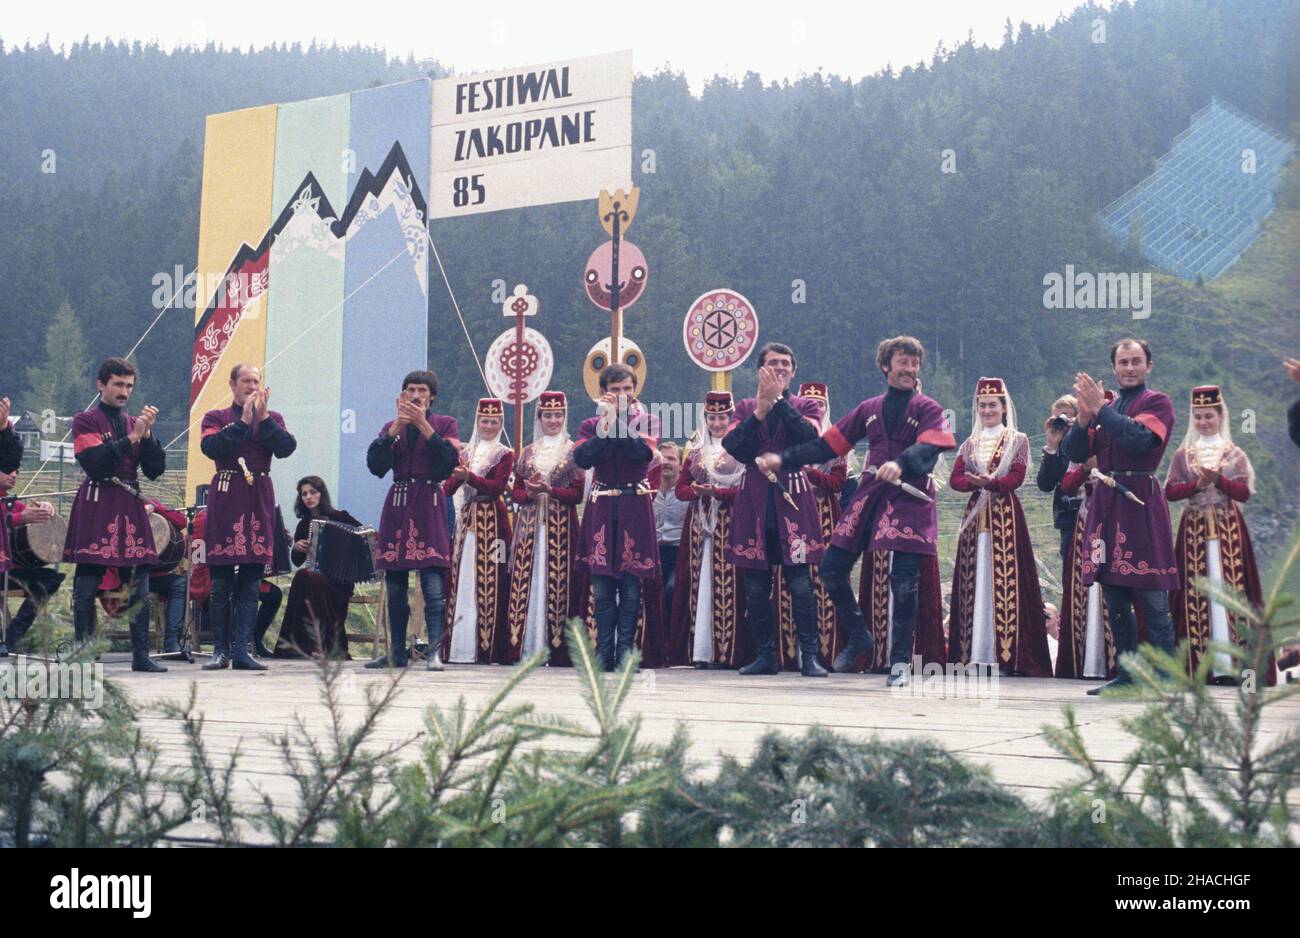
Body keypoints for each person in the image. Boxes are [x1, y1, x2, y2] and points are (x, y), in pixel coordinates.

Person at [761, 336, 955, 686]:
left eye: (914, 363)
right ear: (885, 366)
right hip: (872, 493)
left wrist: (901, 462)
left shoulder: (928, 408)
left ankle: (899, 665)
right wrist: (784, 459)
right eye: (903, 362)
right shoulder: (869, 409)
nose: (910, 369)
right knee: (832, 568)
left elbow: (931, 446)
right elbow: (827, 445)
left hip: (911, 497)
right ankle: (860, 635)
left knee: (905, 582)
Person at [1062, 338, 1179, 696]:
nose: (1129, 367)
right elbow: (1075, 452)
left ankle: (1164, 677)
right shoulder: (1105, 407)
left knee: (1153, 597)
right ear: (1114, 368)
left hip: (1140, 502)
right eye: (1123, 362)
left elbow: (1138, 439)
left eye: (1136, 361)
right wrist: (1083, 421)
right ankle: (1126, 675)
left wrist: (1100, 410)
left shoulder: (1157, 402)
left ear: (1149, 366)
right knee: (1114, 597)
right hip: (1106, 506)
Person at [722, 342, 828, 677]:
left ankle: (808, 656)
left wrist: (779, 403)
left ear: (793, 371)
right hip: (753, 499)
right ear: (760, 370)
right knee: (755, 582)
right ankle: (765, 655)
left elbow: (809, 439)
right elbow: (734, 447)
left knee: (799, 580)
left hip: (792, 496)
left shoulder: (806, 404)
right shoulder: (744, 407)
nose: (780, 368)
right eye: (772, 363)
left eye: (785, 364)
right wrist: (760, 412)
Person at [61, 358, 167, 672]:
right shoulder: (85, 420)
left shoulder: (135, 422)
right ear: (101, 385)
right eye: (118, 384)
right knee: (87, 584)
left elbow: (155, 470)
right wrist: (133, 437)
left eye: (129, 386)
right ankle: (83, 655)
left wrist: (147, 437)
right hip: (98, 501)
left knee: (139, 583)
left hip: (129, 503)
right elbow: (94, 463)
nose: (124, 391)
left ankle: (141, 656)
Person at [1164, 386, 1273, 686]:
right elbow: (1170, 491)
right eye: (1198, 416)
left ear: (1220, 415)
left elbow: (1244, 492)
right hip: (1194, 529)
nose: (1203, 422)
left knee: (1231, 593)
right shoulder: (1183, 455)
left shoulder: (1234, 453)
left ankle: (1234, 667)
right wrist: (1197, 484)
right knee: (1196, 592)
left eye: (1208, 416)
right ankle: (1200, 666)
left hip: (1228, 530)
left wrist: (1219, 481)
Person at [946, 377, 1053, 676]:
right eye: (982, 405)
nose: (987, 410)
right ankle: (973, 654)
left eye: (993, 405)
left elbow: (1016, 478)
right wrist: (973, 482)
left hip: (1004, 517)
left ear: (1004, 407)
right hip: (975, 518)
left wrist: (990, 483)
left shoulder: (1017, 440)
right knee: (975, 579)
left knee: (1005, 581)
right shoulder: (970, 443)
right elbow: (955, 479)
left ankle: (1006, 656)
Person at [199, 363, 297, 671]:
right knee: (221, 580)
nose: (252, 386)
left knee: (253, 578)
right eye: (246, 381)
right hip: (227, 494)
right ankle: (220, 650)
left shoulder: (273, 419)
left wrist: (263, 418)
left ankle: (242, 649)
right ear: (232, 385)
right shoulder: (215, 418)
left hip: (259, 496)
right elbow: (211, 446)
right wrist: (242, 421)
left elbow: (286, 447)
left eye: (256, 381)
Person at [573, 363, 664, 671]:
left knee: (629, 585)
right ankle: (602, 652)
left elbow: (641, 453)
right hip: (601, 506)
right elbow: (583, 457)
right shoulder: (589, 424)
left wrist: (618, 424)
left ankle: (625, 651)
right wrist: (607, 424)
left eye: (627, 388)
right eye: (615, 390)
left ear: (634, 390)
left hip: (634, 505)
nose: (622, 394)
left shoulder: (648, 421)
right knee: (601, 587)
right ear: (603, 393)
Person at [366, 369, 460, 670]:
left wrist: (422, 424)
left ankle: (433, 651)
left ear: (431, 396)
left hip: (429, 501)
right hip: (398, 503)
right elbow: (375, 466)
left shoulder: (445, 424)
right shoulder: (391, 427)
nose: (415, 395)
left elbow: (448, 463)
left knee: (432, 582)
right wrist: (395, 428)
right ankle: (396, 651)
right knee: (395, 584)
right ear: (402, 395)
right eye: (410, 390)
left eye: (421, 390)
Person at [769, 381, 849, 669]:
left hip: (826, 516)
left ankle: (825, 652)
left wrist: (809, 474)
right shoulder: (791, 440)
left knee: (825, 581)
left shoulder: (835, 442)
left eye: (822, 404)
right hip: (792, 510)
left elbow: (838, 482)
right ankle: (789, 652)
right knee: (792, 578)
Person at [668, 390, 749, 669]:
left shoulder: (739, 449)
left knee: (730, 584)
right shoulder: (695, 449)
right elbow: (679, 488)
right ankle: (700, 650)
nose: (717, 423)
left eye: (722, 417)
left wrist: (718, 492)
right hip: (699, 525)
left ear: (730, 417)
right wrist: (695, 490)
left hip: (730, 522)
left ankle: (728, 651)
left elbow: (746, 490)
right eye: (712, 418)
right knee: (698, 582)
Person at [507, 391, 583, 665]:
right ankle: (525, 646)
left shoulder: (574, 451)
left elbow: (577, 495)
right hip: (529, 527)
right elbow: (514, 493)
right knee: (527, 581)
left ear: (565, 417)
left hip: (561, 527)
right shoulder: (528, 452)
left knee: (559, 583)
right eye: (548, 415)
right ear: (540, 417)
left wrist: (549, 490)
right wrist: (528, 493)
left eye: (558, 415)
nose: (553, 420)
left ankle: (556, 648)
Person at [445, 398, 515, 664]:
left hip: (493, 520)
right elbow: (449, 488)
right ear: (477, 422)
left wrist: (469, 478)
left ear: (500, 423)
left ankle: (488, 647)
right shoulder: (466, 452)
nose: (488, 426)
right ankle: (459, 647)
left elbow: (496, 488)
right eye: (484, 421)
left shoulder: (504, 453)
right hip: (467, 518)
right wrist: (453, 478)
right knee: (462, 577)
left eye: (493, 421)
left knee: (492, 578)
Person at [275, 476, 363, 659]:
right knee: (303, 575)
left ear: (321, 494)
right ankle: (303, 646)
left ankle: (320, 646)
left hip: (340, 582)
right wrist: (296, 547)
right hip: (315, 579)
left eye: (312, 492)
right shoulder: (303, 524)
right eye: (304, 494)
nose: (308, 497)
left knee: (306, 577)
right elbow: (297, 561)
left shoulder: (341, 517)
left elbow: (364, 538)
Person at [1, 423, 67, 657]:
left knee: (50, 579)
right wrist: (20, 517)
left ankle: (11, 637)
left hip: (10, 571)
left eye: (16, 469)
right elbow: (14, 516)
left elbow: (26, 510)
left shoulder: (10, 500)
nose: (14, 474)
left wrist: (44, 508)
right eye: (8, 469)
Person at [1036, 394, 1083, 567]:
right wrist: (1052, 446)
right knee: (1070, 568)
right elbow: (1045, 484)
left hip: (1093, 510)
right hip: (1068, 516)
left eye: (1066, 417)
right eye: (1057, 418)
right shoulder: (1056, 447)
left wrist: (1078, 430)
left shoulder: (1090, 438)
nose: (1062, 422)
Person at [653, 440, 689, 626]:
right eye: (661, 458)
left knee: (671, 589)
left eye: (671, 458)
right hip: (654, 553)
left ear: (681, 465)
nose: (665, 462)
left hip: (679, 554)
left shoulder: (686, 493)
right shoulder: (649, 492)